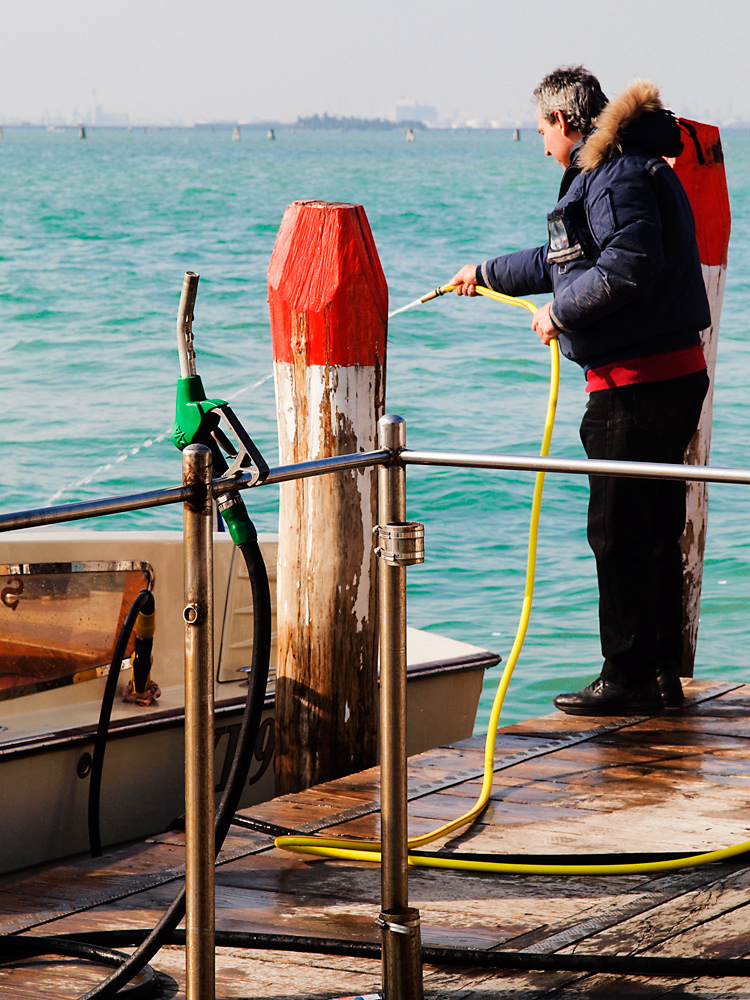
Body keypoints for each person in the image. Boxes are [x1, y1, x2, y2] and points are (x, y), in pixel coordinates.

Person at [451, 66, 710, 716]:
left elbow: (629, 265)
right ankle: (656, 678)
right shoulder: (620, 171)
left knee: (620, 533)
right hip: (664, 377)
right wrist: (484, 274)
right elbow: (562, 259)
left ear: (565, 124)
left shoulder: (614, 175)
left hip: (636, 387)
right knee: (650, 531)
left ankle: (627, 676)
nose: (541, 144)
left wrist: (560, 316)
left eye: (541, 130)